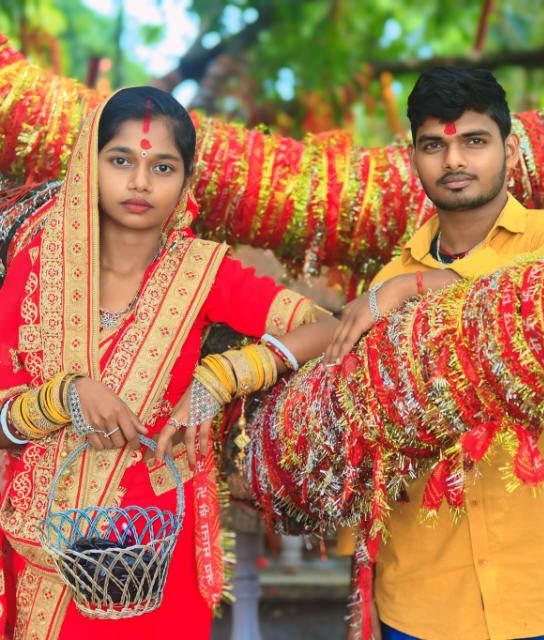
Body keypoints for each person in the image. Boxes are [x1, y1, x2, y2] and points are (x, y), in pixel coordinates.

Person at [0, 86, 337, 639]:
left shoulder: (202, 272)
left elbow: (324, 327)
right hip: (46, 562)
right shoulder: (36, 267)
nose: (140, 182)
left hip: (154, 556)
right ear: (89, 165)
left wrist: (224, 375)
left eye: (162, 166)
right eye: (121, 160)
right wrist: (64, 397)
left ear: (185, 181)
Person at [325, 67, 544, 640]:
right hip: (421, 600)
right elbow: (365, 427)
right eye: (434, 145)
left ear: (509, 149)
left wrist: (411, 290)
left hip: (541, 592)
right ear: (415, 158)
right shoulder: (387, 281)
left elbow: (534, 304)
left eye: (474, 141)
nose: (454, 160)